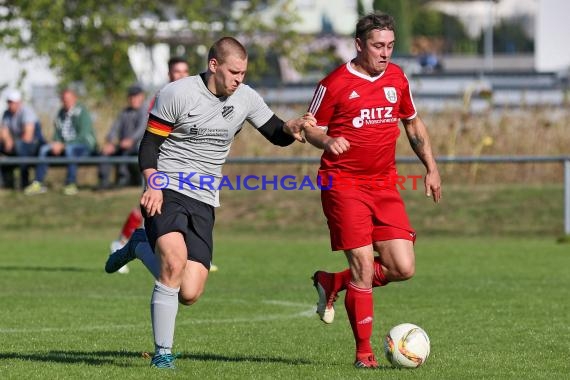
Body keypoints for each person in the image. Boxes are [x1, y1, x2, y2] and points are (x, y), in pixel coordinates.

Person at [104, 37, 315, 369]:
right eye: (234, 72)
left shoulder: (245, 97)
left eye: (243, 73)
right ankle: (163, 355)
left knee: (189, 292)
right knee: (173, 262)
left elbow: (276, 132)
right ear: (214, 65)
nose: (239, 79)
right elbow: (148, 145)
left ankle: (139, 245)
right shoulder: (178, 93)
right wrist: (154, 183)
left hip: (204, 199)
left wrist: (292, 126)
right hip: (169, 187)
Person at [304, 12, 442, 369]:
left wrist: (431, 167)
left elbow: (412, 123)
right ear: (359, 44)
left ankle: (333, 282)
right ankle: (364, 355)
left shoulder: (396, 77)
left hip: (384, 184)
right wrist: (327, 139)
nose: (385, 53)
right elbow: (308, 127)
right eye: (378, 46)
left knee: (403, 266)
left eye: (390, 46)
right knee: (364, 266)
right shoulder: (333, 83)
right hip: (343, 184)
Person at [106, 57, 198, 275]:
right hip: (159, 161)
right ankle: (123, 242)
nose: (181, 75)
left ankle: (193, 257)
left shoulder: (196, 97)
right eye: (177, 71)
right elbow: (150, 131)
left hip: (185, 162)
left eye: (185, 71)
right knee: (149, 205)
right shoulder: (161, 97)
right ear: (169, 74)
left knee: (190, 205)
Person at [24, 88, 97, 195]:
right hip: (64, 146)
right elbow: (57, 134)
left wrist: (64, 145)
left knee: (70, 150)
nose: (66, 102)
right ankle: (38, 183)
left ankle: (71, 183)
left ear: (75, 99)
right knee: (44, 149)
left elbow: (83, 135)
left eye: (69, 99)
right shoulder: (60, 113)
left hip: (84, 147)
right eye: (64, 99)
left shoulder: (82, 112)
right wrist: (55, 143)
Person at [98, 84, 147, 189]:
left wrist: (131, 140)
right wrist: (110, 142)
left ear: (142, 97)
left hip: (139, 145)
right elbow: (115, 128)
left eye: (136, 96)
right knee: (105, 152)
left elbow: (141, 129)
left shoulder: (145, 111)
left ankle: (123, 179)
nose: (133, 99)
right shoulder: (124, 112)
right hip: (123, 144)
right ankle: (103, 181)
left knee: (126, 151)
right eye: (131, 96)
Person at [0, 89, 45, 189]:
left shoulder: (27, 112)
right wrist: (7, 140)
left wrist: (13, 143)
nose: (9, 104)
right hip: (18, 143)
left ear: (18, 102)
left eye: (12, 102)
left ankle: (24, 182)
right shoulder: (6, 113)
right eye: (8, 102)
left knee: (21, 147)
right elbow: (3, 131)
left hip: (35, 145)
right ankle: (5, 182)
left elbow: (28, 137)